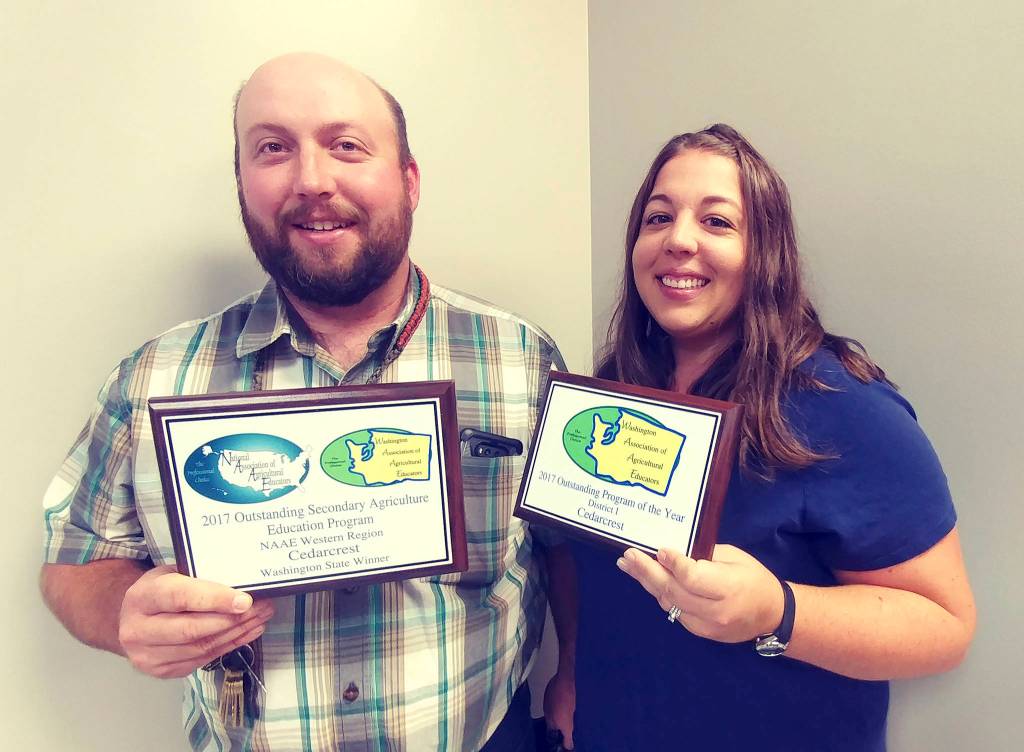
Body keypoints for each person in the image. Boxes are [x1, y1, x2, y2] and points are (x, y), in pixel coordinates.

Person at [40, 52, 576, 751]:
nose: (313, 181)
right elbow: (75, 559)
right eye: (273, 149)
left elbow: (564, 546)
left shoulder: (521, 356)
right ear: (242, 182)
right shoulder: (151, 379)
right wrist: (123, 614)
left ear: (409, 181)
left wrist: (574, 671)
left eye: (346, 146)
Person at [564, 124, 975, 751]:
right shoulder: (613, 397)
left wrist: (777, 611)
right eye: (658, 217)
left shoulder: (843, 406)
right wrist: (568, 680)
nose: (679, 240)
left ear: (765, 253)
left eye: (718, 223)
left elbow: (946, 626)